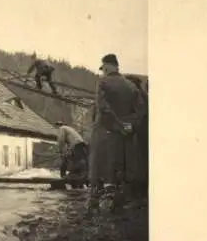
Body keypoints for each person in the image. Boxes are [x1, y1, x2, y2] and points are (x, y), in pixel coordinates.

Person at [89, 54, 146, 201]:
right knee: (123, 171)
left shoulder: (103, 83)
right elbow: (140, 111)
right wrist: (128, 125)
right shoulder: (131, 86)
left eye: (103, 68)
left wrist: (117, 124)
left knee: (100, 173)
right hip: (126, 135)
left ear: (107, 66)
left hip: (105, 134)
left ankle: (99, 199)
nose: (103, 71)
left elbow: (103, 108)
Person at [55, 121, 88, 186]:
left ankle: (68, 177)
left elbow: (61, 140)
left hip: (75, 144)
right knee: (78, 161)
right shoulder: (69, 129)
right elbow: (69, 141)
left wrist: (61, 151)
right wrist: (67, 152)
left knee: (76, 161)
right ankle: (78, 177)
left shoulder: (61, 128)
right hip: (80, 143)